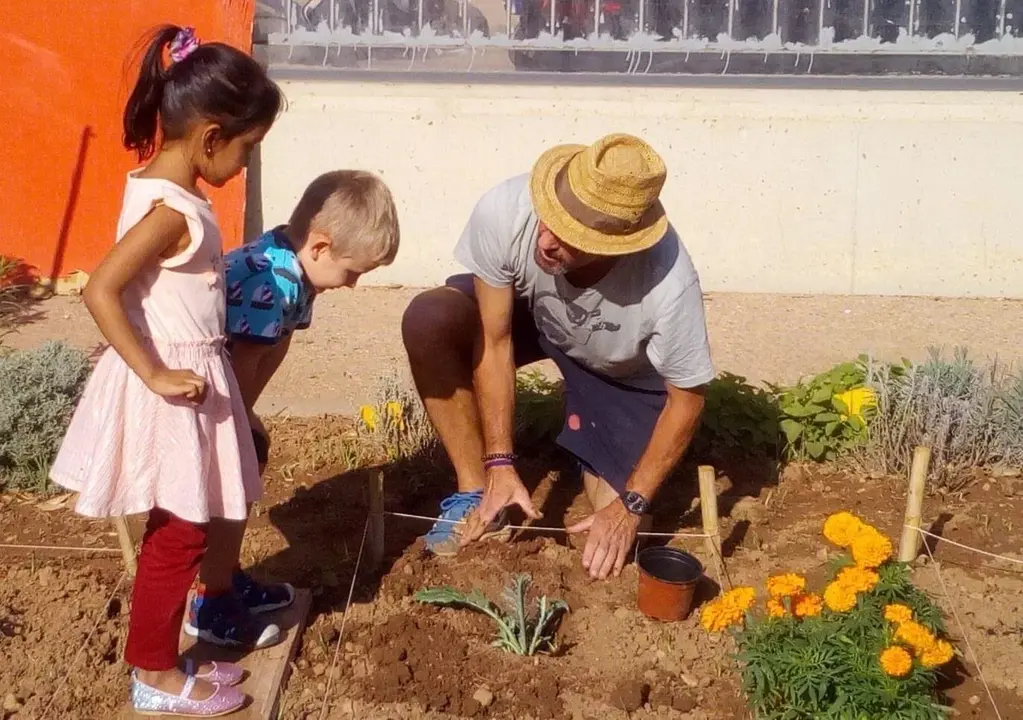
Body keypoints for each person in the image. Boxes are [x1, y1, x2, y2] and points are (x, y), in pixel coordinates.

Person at [49, 25, 283, 717]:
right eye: (245, 149)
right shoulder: (171, 210)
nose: (244, 164)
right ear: (212, 137)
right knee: (179, 532)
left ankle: (169, 651)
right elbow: (101, 288)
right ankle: (153, 671)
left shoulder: (161, 190)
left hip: (186, 380)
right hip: (172, 387)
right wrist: (153, 373)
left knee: (184, 525)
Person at [401, 133, 714, 580]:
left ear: (616, 245)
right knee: (431, 318)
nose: (546, 241)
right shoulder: (506, 209)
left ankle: (590, 437)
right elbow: (495, 340)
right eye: (550, 220)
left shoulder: (667, 284)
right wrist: (500, 461)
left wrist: (631, 504)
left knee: (604, 542)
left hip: (618, 374)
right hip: (536, 319)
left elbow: (688, 398)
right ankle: (477, 493)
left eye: (572, 238)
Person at [184, 170, 400, 642]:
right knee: (230, 490)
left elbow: (276, 344)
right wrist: (239, 427)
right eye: (355, 271)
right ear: (320, 247)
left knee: (241, 481)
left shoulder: (297, 271)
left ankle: (224, 575)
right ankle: (209, 604)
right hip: (205, 401)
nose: (354, 284)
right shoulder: (273, 280)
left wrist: (251, 413)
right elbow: (244, 358)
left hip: (226, 396)